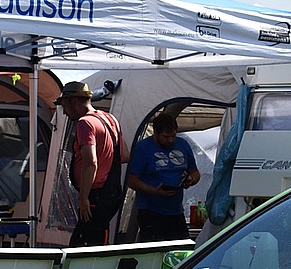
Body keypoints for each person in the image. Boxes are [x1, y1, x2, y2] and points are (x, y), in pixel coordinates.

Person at [57, 81, 128, 247]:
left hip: (96, 195)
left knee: (84, 247)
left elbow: (90, 162)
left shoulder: (85, 123)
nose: (65, 112)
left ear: (74, 101)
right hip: (112, 193)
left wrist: (83, 198)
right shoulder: (110, 119)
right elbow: (124, 155)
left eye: (65, 106)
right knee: (95, 240)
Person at [125, 113, 200, 241]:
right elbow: (131, 180)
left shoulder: (183, 144)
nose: (170, 140)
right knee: (154, 249)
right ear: (156, 133)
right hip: (151, 211)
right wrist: (154, 191)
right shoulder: (143, 148)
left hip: (176, 210)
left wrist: (190, 180)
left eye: (173, 136)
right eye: (166, 136)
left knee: (182, 248)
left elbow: (195, 172)